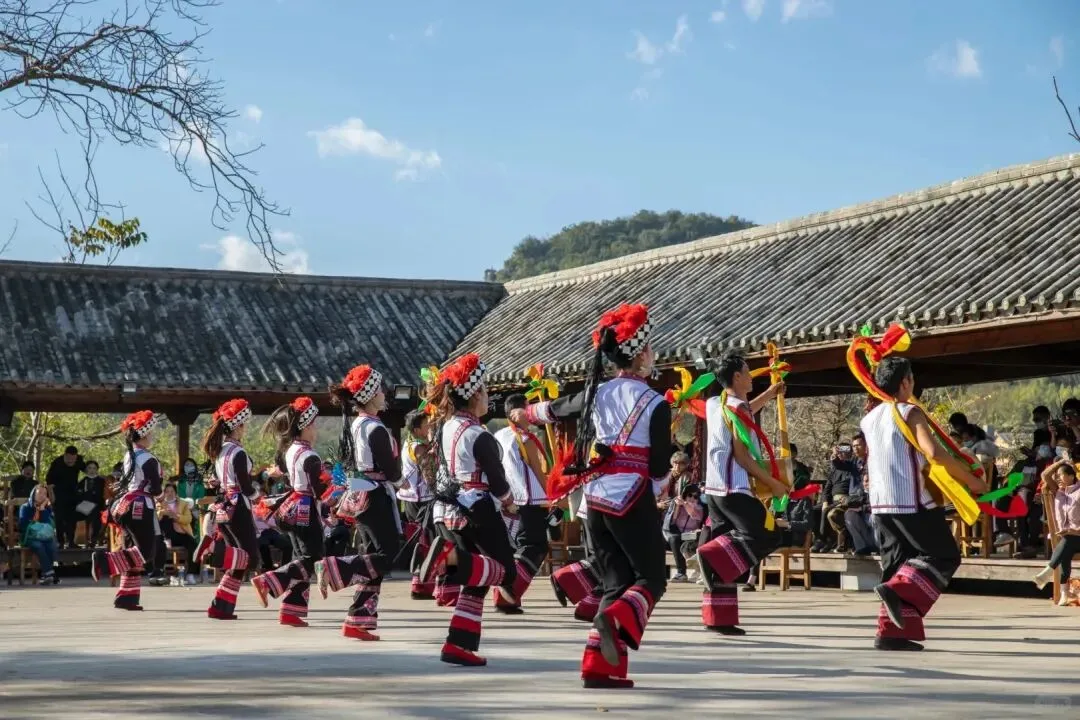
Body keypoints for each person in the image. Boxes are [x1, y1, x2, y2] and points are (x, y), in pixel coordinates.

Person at [511, 303, 671, 690]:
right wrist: (660, 486)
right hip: (632, 496)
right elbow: (659, 466)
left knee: (616, 581)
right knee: (652, 577)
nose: (653, 354)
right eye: (650, 348)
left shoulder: (597, 392)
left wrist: (524, 414)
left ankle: (600, 667)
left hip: (595, 498)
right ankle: (615, 619)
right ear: (641, 354)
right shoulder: (656, 402)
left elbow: (556, 409)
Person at [862, 357, 985, 651]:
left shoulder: (869, 418)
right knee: (943, 556)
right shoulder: (910, 411)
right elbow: (933, 453)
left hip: (880, 504)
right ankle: (897, 592)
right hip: (911, 500)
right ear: (906, 381)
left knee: (897, 565)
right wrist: (972, 481)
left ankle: (890, 633)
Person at [418, 352, 518, 668]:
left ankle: (458, 644)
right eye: (485, 389)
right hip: (476, 508)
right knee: (505, 571)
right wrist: (510, 503)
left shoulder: (446, 426)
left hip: (447, 507)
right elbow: (498, 482)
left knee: (477, 580)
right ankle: (447, 560)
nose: (488, 395)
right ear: (474, 395)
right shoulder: (479, 435)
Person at [695, 353, 787, 636]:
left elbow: (742, 412)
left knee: (726, 553)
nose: (750, 376)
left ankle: (718, 619)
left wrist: (770, 394)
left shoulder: (714, 403)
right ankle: (709, 555)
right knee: (768, 534)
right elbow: (742, 457)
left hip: (714, 489)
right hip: (734, 487)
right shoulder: (737, 408)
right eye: (747, 372)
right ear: (736, 376)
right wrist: (772, 483)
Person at [316, 364, 404, 642]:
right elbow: (390, 469)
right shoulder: (375, 428)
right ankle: (334, 568)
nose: (384, 394)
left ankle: (357, 619)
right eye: (380, 390)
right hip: (374, 493)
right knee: (386, 554)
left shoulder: (357, 424)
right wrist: (402, 482)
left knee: (372, 557)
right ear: (370, 395)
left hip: (361, 490)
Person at [251, 397, 328, 626]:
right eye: (313, 424)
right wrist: (337, 490)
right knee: (312, 557)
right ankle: (269, 581)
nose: (316, 430)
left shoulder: (291, 450)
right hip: (306, 507)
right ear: (305, 426)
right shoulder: (310, 456)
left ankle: (291, 610)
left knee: (300, 556)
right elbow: (320, 491)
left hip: (292, 506)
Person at [91, 411, 163, 609]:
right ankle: (105, 561)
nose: (153, 436)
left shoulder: (130, 455)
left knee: (133, 550)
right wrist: (160, 496)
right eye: (151, 433)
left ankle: (127, 597)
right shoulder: (148, 458)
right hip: (141, 505)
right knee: (146, 552)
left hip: (125, 505)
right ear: (144, 434)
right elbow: (155, 488)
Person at [491, 393, 551, 613]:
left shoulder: (498, 435)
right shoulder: (524, 439)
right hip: (530, 498)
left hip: (508, 498)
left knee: (518, 547)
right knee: (535, 546)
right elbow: (538, 471)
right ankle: (508, 593)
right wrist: (554, 496)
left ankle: (506, 594)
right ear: (519, 412)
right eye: (529, 408)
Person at [202, 398, 259, 620]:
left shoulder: (221, 451)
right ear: (237, 426)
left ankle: (221, 606)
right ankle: (214, 552)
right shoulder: (238, 452)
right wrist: (259, 497)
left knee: (240, 559)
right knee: (249, 557)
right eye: (243, 425)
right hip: (238, 506)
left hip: (224, 505)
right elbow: (245, 485)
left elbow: (220, 481)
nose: (245, 429)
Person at [398, 410, 439, 600]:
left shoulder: (408, 443)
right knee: (427, 541)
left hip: (410, 499)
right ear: (417, 429)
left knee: (420, 541)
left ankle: (420, 582)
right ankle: (422, 584)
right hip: (422, 500)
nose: (429, 427)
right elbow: (430, 476)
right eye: (426, 424)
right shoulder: (419, 448)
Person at [1034, 456, 1080, 605]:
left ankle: (1048, 571)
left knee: (1067, 541)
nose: (1058, 478)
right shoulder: (1058, 491)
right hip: (1068, 539)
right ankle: (1064, 594)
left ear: (1071, 476)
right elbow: (1045, 475)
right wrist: (1060, 462)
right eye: (1057, 476)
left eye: (1061, 475)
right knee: (1066, 546)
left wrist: (1074, 467)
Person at [157, 483, 199, 585]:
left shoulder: (183, 504)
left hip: (181, 532)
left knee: (193, 545)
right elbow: (155, 519)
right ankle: (167, 539)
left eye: (172, 491)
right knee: (165, 516)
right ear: (164, 493)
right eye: (167, 491)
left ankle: (190, 574)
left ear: (176, 493)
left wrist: (176, 517)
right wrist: (162, 513)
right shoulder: (159, 504)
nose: (170, 493)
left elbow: (188, 519)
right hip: (165, 534)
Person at [18, 485, 60, 585]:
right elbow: (23, 525)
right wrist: (35, 526)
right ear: (33, 494)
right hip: (30, 537)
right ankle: (49, 573)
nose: (42, 495)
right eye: (40, 493)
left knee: (52, 545)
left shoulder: (47, 508)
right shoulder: (25, 507)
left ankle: (47, 575)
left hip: (44, 536)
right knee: (39, 545)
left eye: (45, 494)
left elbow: (48, 524)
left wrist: (42, 508)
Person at [45, 445, 85, 549]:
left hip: (72, 493)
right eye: (69, 459)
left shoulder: (79, 460)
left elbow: (88, 470)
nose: (71, 461)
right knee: (59, 518)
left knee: (72, 518)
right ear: (65, 455)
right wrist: (51, 496)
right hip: (58, 493)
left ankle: (71, 542)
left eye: (73, 459)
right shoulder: (56, 463)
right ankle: (60, 542)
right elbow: (49, 481)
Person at [664, 483, 705, 582]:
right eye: (690, 495)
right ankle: (681, 573)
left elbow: (694, 515)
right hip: (677, 535)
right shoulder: (680, 506)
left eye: (695, 497)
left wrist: (685, 504)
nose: (692, 498)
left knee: (678, 541)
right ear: (685, 495)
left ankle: (688, 572)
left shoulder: (700, 508)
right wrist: (677, 506)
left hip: (692, 538)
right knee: (672, 539)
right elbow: (673, 520)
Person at [77, 460, 107, 548]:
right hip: (85, 505)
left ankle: (93, 540)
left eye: (94, 468)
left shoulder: (102, 481)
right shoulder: (82, 481)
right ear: (86, 469)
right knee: (85, 522)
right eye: (89, 468)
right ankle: (86, 540)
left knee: (96, 522)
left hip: (98, 505)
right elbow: (79, 493)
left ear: (97, 469)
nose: (92, 470)